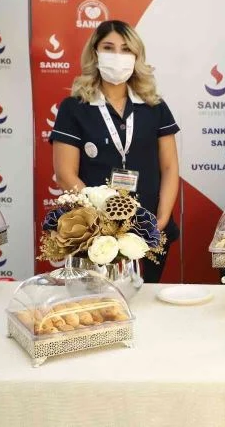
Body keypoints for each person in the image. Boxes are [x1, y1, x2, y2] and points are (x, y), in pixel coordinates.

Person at [50, 20, 180, 283]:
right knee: (98, 300)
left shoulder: (154, 106)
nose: (118, 56)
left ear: (136, 56)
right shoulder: (74, 108)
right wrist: (102, 223)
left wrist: (162, 219)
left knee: (145, 296)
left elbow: (169, 167)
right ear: (95, 53)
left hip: (149, 225)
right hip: (93, 231)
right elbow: (65, 174)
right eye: (108, 48)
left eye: (126, 49)